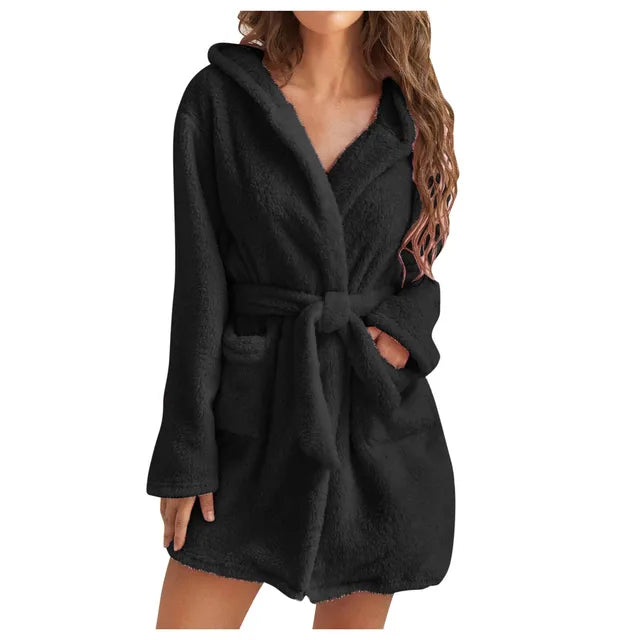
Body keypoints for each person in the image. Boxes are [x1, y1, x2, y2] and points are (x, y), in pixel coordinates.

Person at [146, 10, 459, 629]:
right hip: (251, 419)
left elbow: (418, 264)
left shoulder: (412, 112)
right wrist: (188, 450)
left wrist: (404, 328)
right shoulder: (220, 101)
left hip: (371, 428)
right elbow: (199, 286)